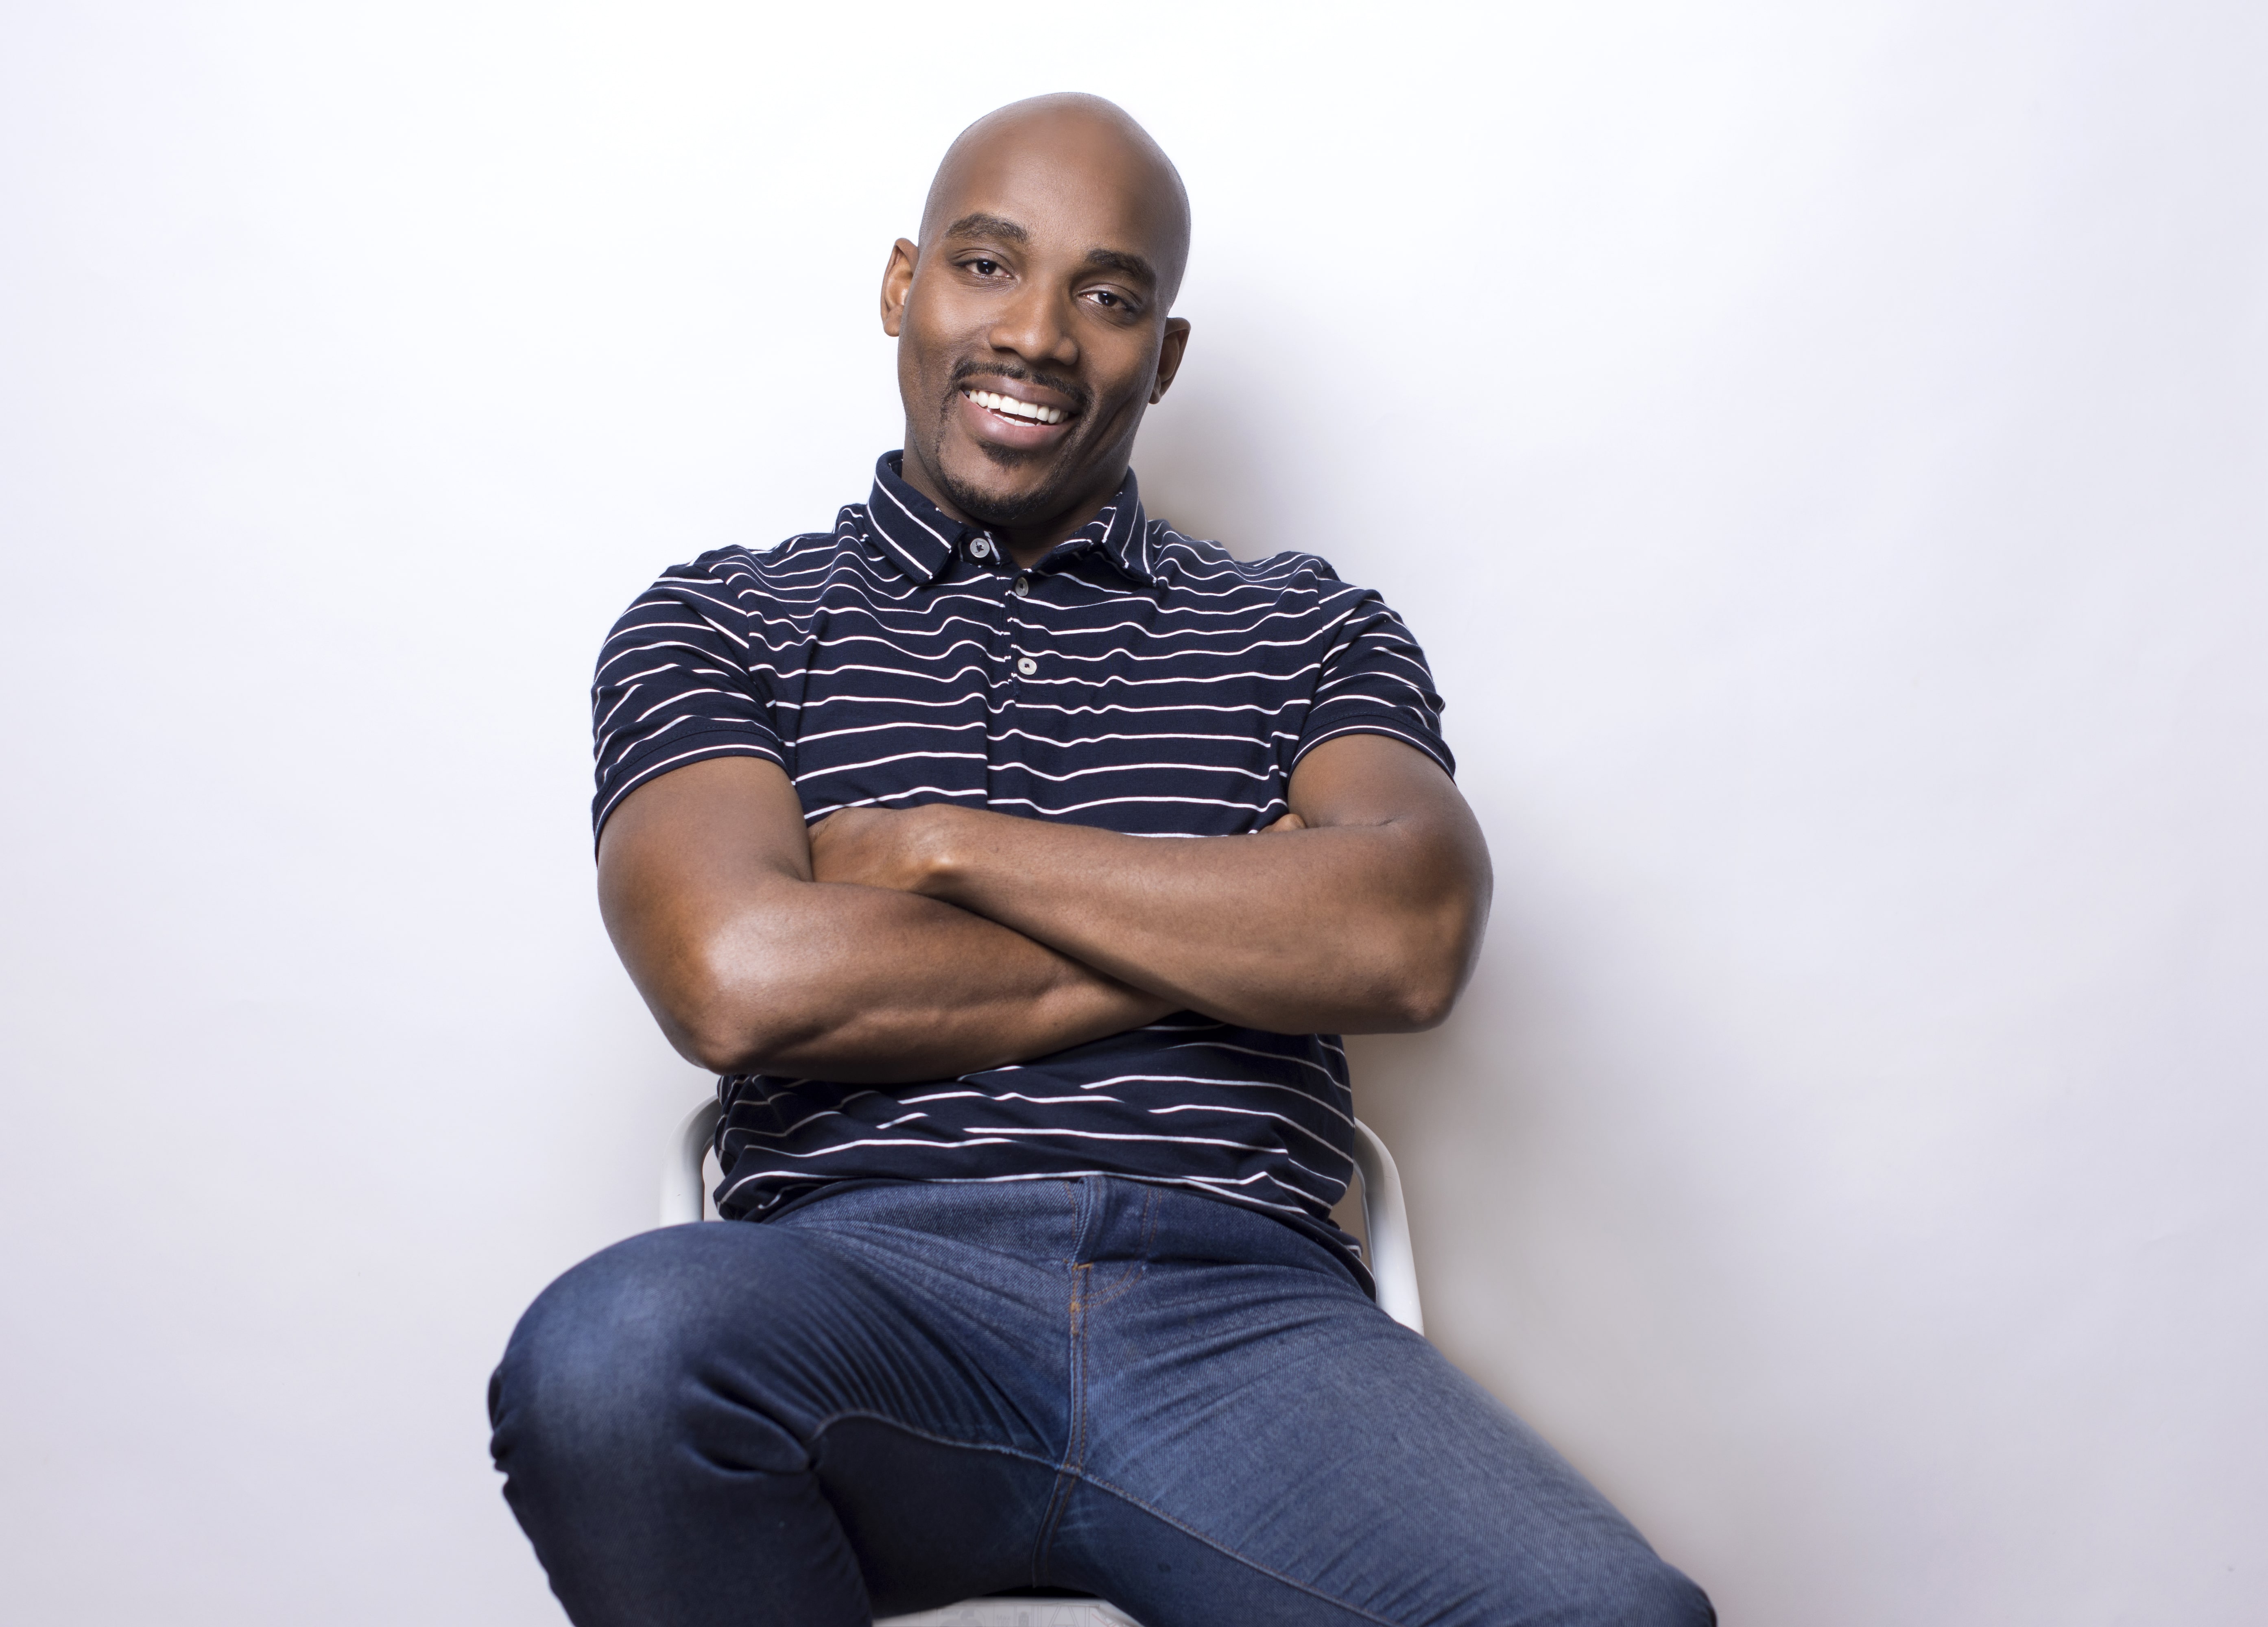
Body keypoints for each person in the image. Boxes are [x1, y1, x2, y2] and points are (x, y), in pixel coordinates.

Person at [488, 93, 1712, 1627]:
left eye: (1110, 295)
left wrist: (936, 850)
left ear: (1165, 355)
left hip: (1242, 1324)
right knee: (610, 1361)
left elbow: (1404, 936)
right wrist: (1237, 916)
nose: (1041, 335)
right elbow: (735, 979)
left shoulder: (1303, 629)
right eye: (988, 266)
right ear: (901, 285)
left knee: (1618, 1622)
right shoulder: (723, 622)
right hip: (857, 1303)